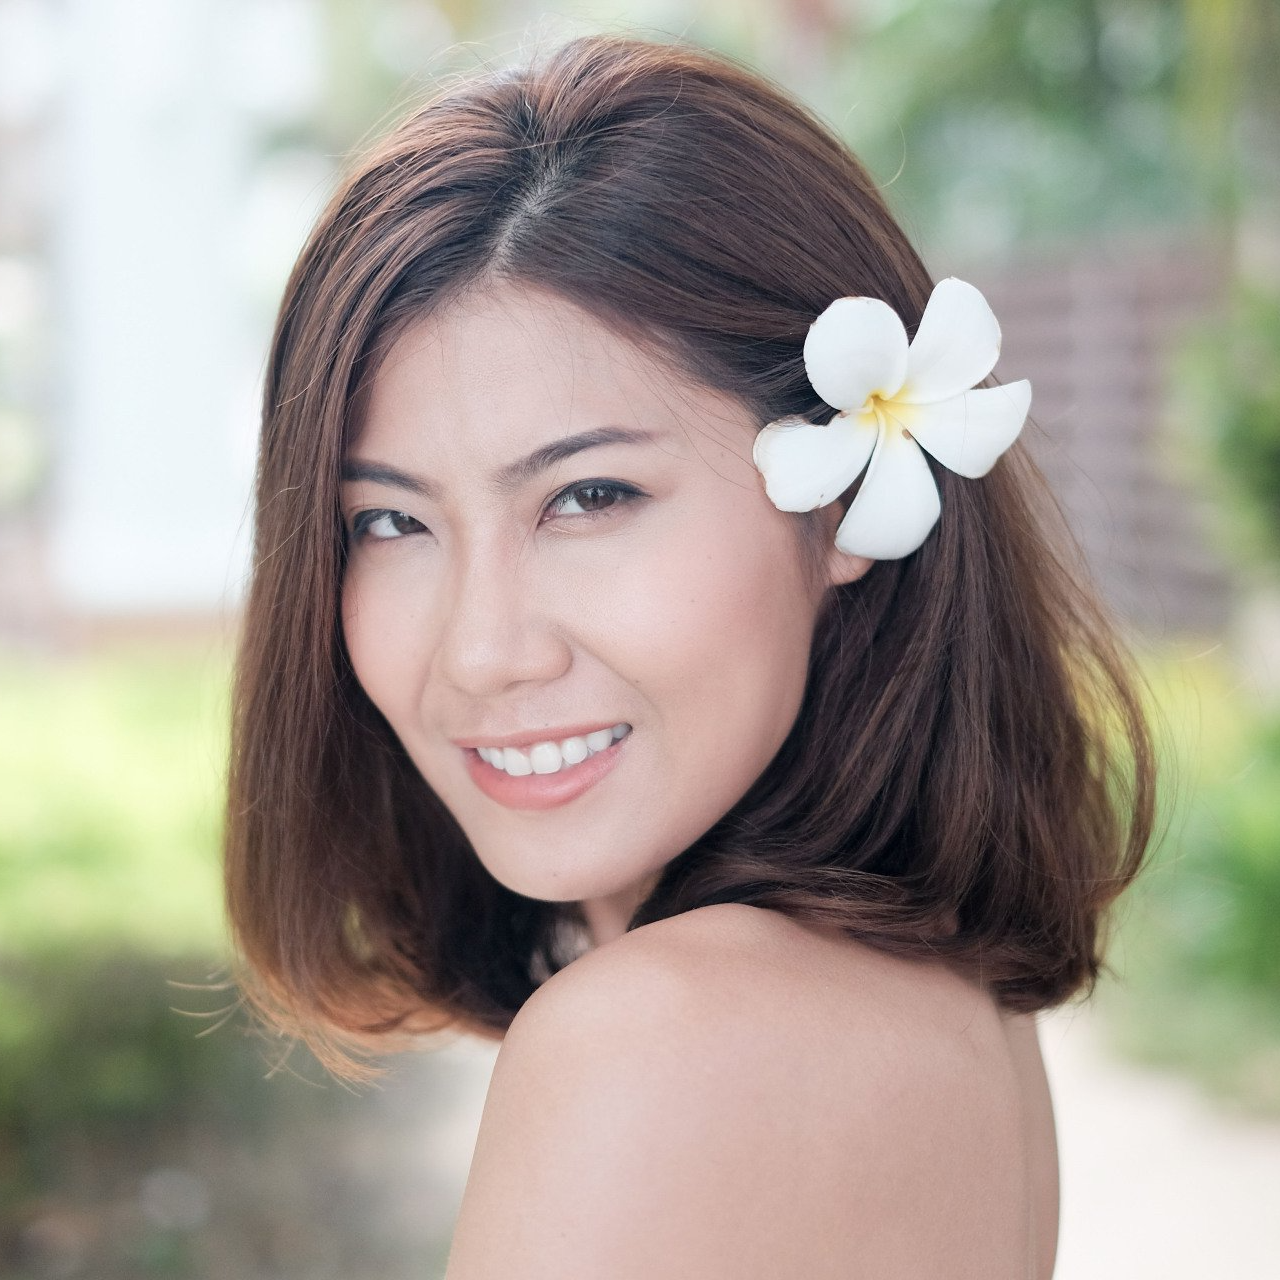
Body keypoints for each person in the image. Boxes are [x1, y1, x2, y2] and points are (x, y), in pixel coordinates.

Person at [223, 32, 1155, 1278]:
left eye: (589, 495)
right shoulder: (937, 991)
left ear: (841, 497)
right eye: (389, 520)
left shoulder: (653, 1040)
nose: (484, 649)